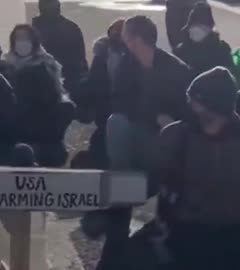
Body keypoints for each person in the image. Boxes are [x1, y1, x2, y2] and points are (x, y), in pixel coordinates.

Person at [152, 67, 240, 270]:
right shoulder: (176, 136)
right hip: (189, 231)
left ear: (212, 105)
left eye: (195, 100)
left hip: (237, 231)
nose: (191, 105)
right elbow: (160, 188)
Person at [96, 15, 191, 270]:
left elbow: (187, 113)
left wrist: (168, 121)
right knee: (115, 122)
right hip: (139, 136)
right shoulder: (126, 67)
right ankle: (123, 186)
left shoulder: (176, 69)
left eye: (126, 35)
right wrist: (153, 115)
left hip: (167, 143)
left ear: (136, 39)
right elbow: (118, 103)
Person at [5, 24, 74, 167]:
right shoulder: (5, 67)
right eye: (18, 38)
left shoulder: (47, 65)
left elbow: (56, 97)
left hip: (41, 126)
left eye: (25, 38)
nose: (22, 42)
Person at [74, 18, 126, 169]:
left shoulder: (134, 59)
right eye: (115, 33)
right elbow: (94, 84)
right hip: (104, 116)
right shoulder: (101, 56)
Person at [32, 0, 88, 93]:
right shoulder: (71, 28)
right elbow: (80, 60)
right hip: (44, 80)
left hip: (67, 79)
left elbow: (79, 60)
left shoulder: (33, 29)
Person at [174, 2, 234, 76]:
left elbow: (230, 76)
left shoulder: (222, 50)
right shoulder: (180, 52)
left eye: (202, 27)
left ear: (209, 29)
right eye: (194, 26)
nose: (197, 30)